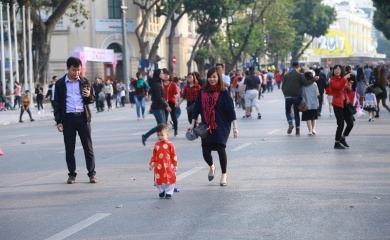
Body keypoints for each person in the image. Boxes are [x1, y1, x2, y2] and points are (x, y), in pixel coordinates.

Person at [187, 67, 238, 186]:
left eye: (214, 77)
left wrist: (235, 127)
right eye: (209, 77)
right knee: (205, 151)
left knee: (221, 149)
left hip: (221, 125)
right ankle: (212, 166)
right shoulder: (202, 91)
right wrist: (192, 123)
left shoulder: (223, 92)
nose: (212, 79)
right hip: (206, 125)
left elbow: (231, 111)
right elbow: (197, 108)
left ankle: (224, 175)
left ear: (218, 77)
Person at [53, 56, 97, 184]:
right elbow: (56, 104)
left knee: (88, 148)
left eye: (78, 70)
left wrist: (89, 96)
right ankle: (72, 175)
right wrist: (59, 121)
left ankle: (92, 174)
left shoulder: (85, 81)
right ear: (68, 69)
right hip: (68, 119)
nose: (76, 73)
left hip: (83, 118)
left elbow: (92, 99)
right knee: (70, 148)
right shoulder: (60, 84)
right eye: (74, 70)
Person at [282, 62, 314, 135]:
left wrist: (285, 94)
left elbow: (283, 86)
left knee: (287, 111)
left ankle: (290, 122)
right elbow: (305, 83)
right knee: (296, 113)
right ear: (298, 67)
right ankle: (297, 130)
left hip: (287, 96)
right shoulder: (300, 75)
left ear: (292, 67)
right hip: (296, 96)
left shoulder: (286, 75)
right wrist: (313, 80)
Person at [141, 69, 171, 146]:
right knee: (161, 126)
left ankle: (164, 140)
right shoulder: (157, 84)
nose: (163, 74)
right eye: (162, 73)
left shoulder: (158, 83)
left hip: (159, 107)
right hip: (157, 108)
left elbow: (158, 96)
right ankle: (145, 136)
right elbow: (158, 97)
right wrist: (166, 106)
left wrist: (165, 102)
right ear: (158, 75)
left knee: (163, 125)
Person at [148, 123, 178, 199]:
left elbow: (174, 155)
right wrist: (152, 163)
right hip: (158, 166)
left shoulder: (170, 144)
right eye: (158, 135)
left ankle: (168, 192)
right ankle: (161, 191)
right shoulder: (156, 145)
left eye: (162, 135)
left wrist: (175, 165)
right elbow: (154, 155)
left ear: (167, 134)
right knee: (158, 180)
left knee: (170, 179)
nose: (160, 137)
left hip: (168, 166)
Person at [329, 65, 354, 149]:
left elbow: (347, 91)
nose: (337, 71)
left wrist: (348, 87)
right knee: (341, 124)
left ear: (341, 71)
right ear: (333, 71)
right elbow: (338, 87)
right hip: (337, 104)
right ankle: (336, 142)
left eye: (339, 69)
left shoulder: (343, 79)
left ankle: (343, 138)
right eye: (335, 69)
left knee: (350, 123)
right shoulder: (332, 80)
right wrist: (345, 79)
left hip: (345, 103)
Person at [163, 70, 179, 136]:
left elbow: (176, 94)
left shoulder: (173, 84)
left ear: (169, 76)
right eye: (164, 75)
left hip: (171, 102)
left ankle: (176, 130)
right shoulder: (161, 84)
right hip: (164, 103)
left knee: (173, 117)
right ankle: (165, 132)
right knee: (164, 118)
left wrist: (176, 102)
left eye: (167, 75)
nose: (165, 76)